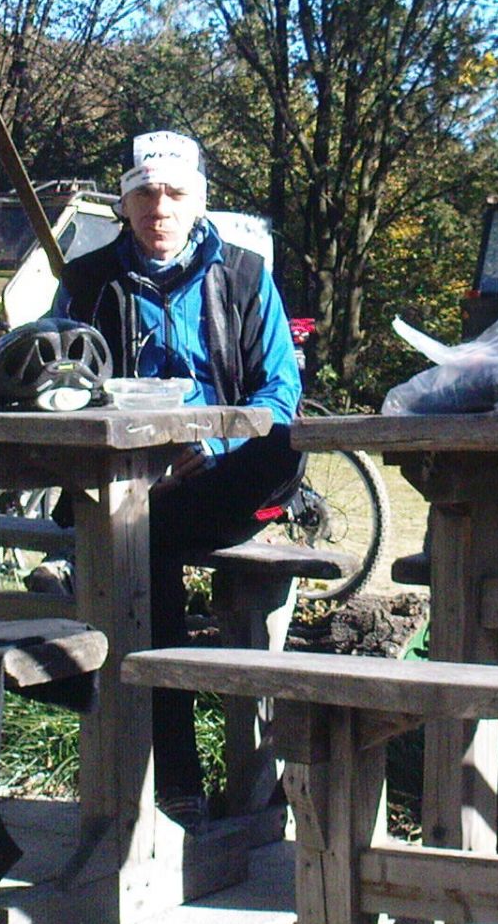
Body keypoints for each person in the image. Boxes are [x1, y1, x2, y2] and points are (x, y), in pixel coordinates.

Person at [35, 130, 304, 828]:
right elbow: (55, 379)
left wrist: (212, 441)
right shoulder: (87, 281)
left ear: (199, 202)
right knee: (140, 539)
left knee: (271, 455)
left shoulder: (245, 275)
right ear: (124, 204)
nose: (161, 208)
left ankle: (168, 774)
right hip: (122, 476)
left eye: (176, 193)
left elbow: (280, 391)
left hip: (223, 475)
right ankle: (176, 784)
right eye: (146, 193)